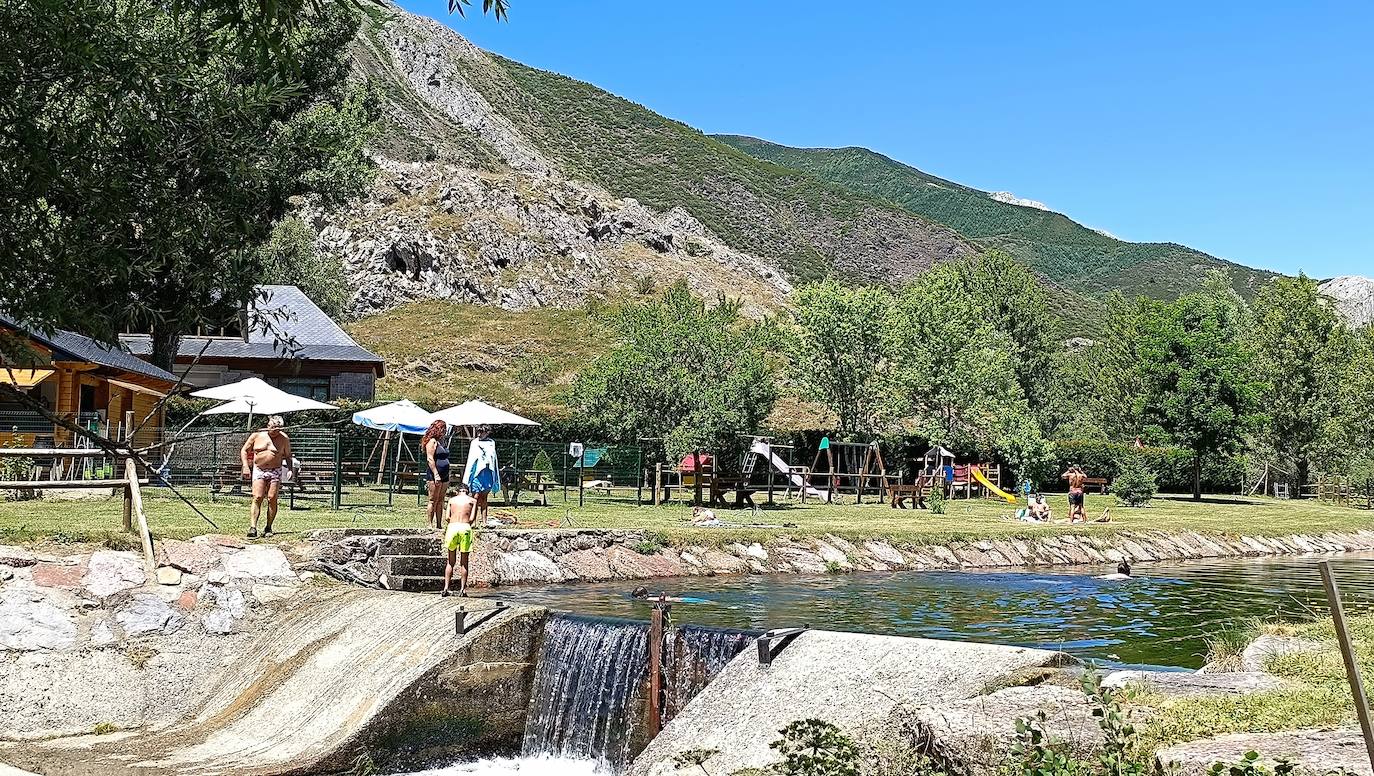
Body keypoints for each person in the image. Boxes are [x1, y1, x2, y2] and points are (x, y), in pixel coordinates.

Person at [240, 415, 291, 539]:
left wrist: (289, 469)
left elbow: (288, 455)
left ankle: (268, 527)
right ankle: (253, 527)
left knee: (272, 498)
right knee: (257, 497)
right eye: (273, 428)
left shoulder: (284, 438)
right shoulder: (257, 435)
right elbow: (244, 450)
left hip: (275, 470)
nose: (275, 431)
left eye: (278, 429)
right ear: (268, 426)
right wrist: (246, 466)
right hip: (259, 469)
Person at [441, 485, 478, 597]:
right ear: (468, 492)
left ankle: (446, 588)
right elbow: (472, 519)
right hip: (465, 527)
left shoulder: (452, 500)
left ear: (457, 492)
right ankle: (462, 589)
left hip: (452, 527)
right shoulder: (472, 501)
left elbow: (447, 517)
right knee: (464, 562)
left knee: (450, 561)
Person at [463, 424, 502, 527]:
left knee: (484, 497)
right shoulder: (474, 443)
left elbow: (492, 457)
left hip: (487, 473)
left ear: (487, 432)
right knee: (475, 497)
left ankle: (484, 521)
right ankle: (473, 521)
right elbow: (472, 459)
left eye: (482, 432)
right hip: (477, 474)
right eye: (478, 432)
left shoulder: (491, 443)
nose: (479, 434)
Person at [420, 420, 450, 529]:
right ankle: (430, 524)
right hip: (434, 475)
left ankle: (439, 524)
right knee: (433, 499)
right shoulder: (432, 442)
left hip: (445, 475)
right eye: (443, 429)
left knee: (441, 500)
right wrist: (436, 474)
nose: (445, 431)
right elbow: (430, 459)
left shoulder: (442, 441)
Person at [630, 586, 710, 604]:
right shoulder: (649, 596)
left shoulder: (648, 599)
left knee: (705, 602)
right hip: (677, 599)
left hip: (678, 600)